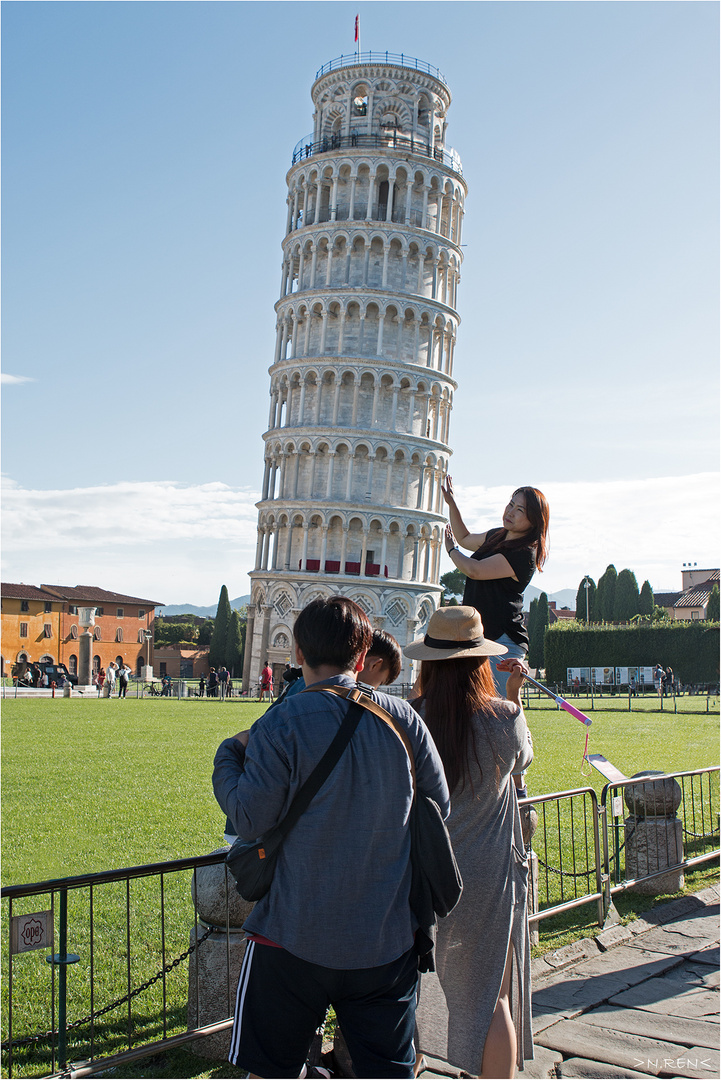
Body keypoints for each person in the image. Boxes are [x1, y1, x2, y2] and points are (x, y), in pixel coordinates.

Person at [213, 597, 449, 1079]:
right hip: (385, 937)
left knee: (270, 1069)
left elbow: (249, 818)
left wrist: (226, 757)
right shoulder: (405, 720)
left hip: (292, 935)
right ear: (362, 658)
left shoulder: (280, 723)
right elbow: (438, 809)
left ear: (297, 652)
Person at [404, 605, 534, 1079]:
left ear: (429, 662)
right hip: (487, 876)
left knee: (412, 991)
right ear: (481, 661)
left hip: (424, 875)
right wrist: (515, 693)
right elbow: (522, 763)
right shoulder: (504, 717)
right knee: (489, 997)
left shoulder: (410, 718)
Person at [440, 477, 549, 698]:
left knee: (500, 711)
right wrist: (452, 504)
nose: (511, 512)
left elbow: (475, 570)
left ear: (533, 521)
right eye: (511, 504)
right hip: (482, 636)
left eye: (520, 510)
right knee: (480, 709)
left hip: (503, 641)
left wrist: (451, 550)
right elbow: (465, 538)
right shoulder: (497, 535)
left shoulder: (524, 553)